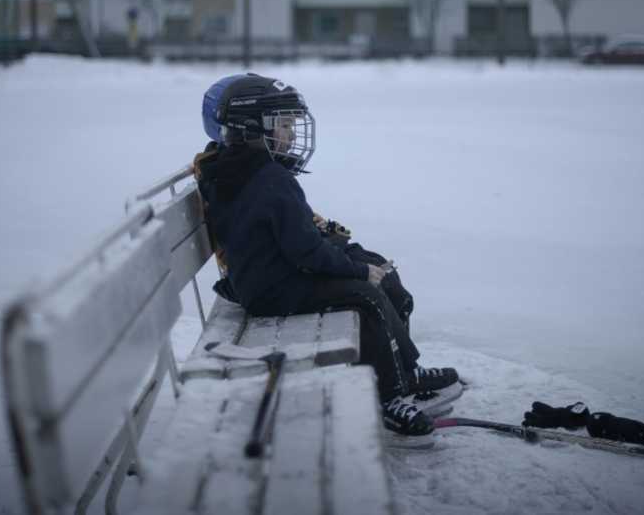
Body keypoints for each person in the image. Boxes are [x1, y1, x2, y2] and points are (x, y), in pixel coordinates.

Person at [192, 72, 459, 440]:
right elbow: (305, 251)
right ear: (252, 129)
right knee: (367, 296)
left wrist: (358, 261)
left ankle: (404, 370)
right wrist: (358, 271)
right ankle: (390, 396)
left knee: (380, 272)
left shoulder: (238, 169)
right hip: (273, 291)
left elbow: (295, 238)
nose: (289, 134)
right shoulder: (268, 179)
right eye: (282, 125)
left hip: (270, 276)